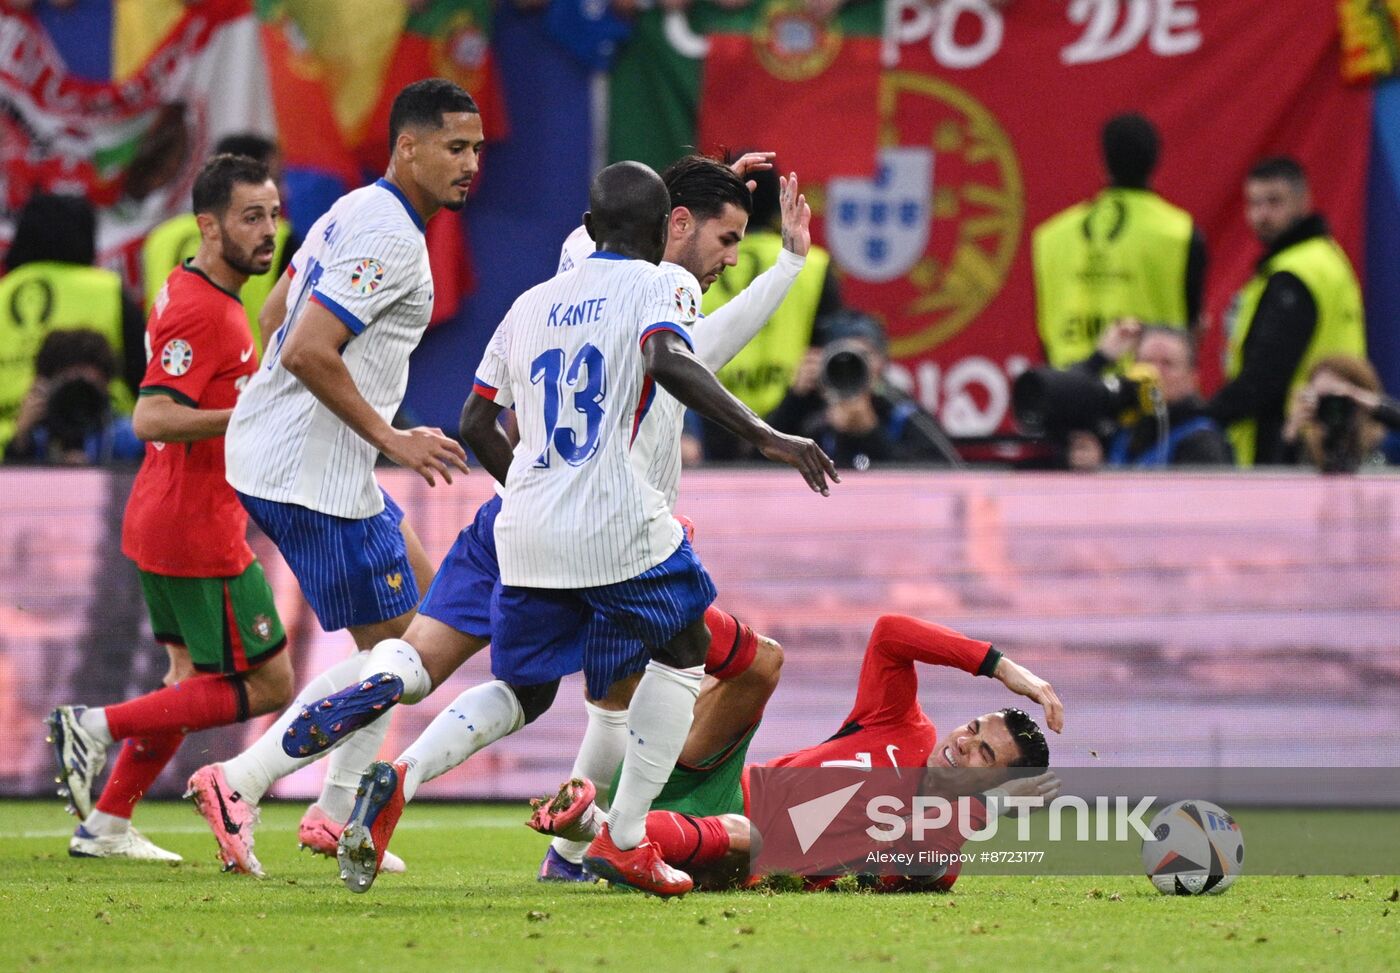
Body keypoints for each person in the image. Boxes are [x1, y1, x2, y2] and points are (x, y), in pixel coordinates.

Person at [271, 154, 817, 887]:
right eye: (724, 240)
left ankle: (399, 771)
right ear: (667, 228)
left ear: (591, 226)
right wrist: (767, 434)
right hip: (618, 521)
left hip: (524, 520)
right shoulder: (666, 284)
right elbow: (678, 359)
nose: (723, 259)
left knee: (520, 687)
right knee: (681, 652)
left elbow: (474, 419)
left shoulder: (534, 298)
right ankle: (619, 837)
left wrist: (532, 487)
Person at [185, 78, 483, 877]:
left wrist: (291, 408)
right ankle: (242, 781)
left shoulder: (354, 209)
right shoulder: (389, 235)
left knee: (427, 630)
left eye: (478, 149)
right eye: (455, 147)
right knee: (407, 655)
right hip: (309, 475)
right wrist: (391, 436)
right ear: (408, 145)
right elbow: (310, 345)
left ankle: (334, 811)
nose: (470, 165)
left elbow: (276, 310)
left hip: (307, 460)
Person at [43, 154, 291, 861]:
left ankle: (107, 822)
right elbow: (152, 417)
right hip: (194, 525)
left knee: (186, 683)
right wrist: (244, 415)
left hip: (167, 513)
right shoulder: (203, 310)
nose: (268, 230)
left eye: (272, 214)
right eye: (251, 217)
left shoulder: (200, 289)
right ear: (207, 226)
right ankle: (94, 725)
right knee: (271, 680)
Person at [528, 613, 1062, 892]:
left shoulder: (949, 832)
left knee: (752, 837)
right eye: (973, 728)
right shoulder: (903, 724)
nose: (964, 743)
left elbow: (926, 864)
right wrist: (1000, 667)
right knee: (764, 661)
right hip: (709, 780)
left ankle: (585, 833)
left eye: (984, 756)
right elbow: (890, 633)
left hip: (726, 855)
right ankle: (655, 601)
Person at [1207, 157, 1366, 467]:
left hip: (1293, 443)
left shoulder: (1295, 275)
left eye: (1274, 202)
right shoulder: (1326, 259)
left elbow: (1264, 379)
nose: (1261, 214)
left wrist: (1200, 416)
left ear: (1304, 202)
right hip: (1331, 434)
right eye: (1253, 203)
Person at [1033, 113, 1206, 368]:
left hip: (1071, 391)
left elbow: (1046, 332)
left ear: (1103, 161)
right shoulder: (1180, 233)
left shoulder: (1051, 236)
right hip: (1148, 393)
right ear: (1156, 160)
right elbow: (1192, 327)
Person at [697, 161, 841, 459]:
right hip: (794, 426)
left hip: (715, 418)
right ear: (778, 204)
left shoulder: (697, 259)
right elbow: (825, 350)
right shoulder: (815, 265)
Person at [0, 194, 146, 453]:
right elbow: (146, 375)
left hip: (11, 461)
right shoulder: (108, 290)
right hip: (106, 451)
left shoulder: (3, 292)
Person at [142, 133, 301, 349]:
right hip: (247, 374)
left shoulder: (159, 237)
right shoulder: (278, 237)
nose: (284, 192)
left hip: (170, 372)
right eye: (276, 180)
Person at [768, 309, 957, 469]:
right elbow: (755, 468)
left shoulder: (903, 414)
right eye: (842, 356)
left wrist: (870, 433)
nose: (852, 368)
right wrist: (794, 399)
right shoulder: (808, 414)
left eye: (864, 356)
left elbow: (940, 475)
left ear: (882, 362)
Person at [1068, 320, 1231, 468]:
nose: (1154, 372)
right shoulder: (1123, 426)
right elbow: (1063, 398)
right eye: (1146, 362)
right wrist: (1100, 359)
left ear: (1192, 378)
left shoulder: (1202, 441)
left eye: (1167, 364)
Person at [2, 329, 144, 465]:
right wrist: (21, 435)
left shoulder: (123, 435)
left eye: (85, 389)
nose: (78, 399)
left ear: (105, 386)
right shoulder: (38, 436)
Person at [1281, 355, 1390, 472]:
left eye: (1340, 400)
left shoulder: (1384, 441)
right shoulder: (1304, 446)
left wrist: (1368, 402)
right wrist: (1291, 431)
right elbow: (1272, 478)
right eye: (1324, 399)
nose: (1333, 408)